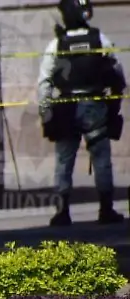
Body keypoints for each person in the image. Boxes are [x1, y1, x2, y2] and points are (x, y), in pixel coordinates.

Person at [38, 0, 125, 226]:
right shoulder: (100, 39)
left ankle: (62, 212)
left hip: (66, 107)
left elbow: (44, 83)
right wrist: (114, 106)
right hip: (95, 106)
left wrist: (45, 112)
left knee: (64, 160)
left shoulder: (56, 44)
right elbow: (118, 74)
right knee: (102, 159)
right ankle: (106, 210)